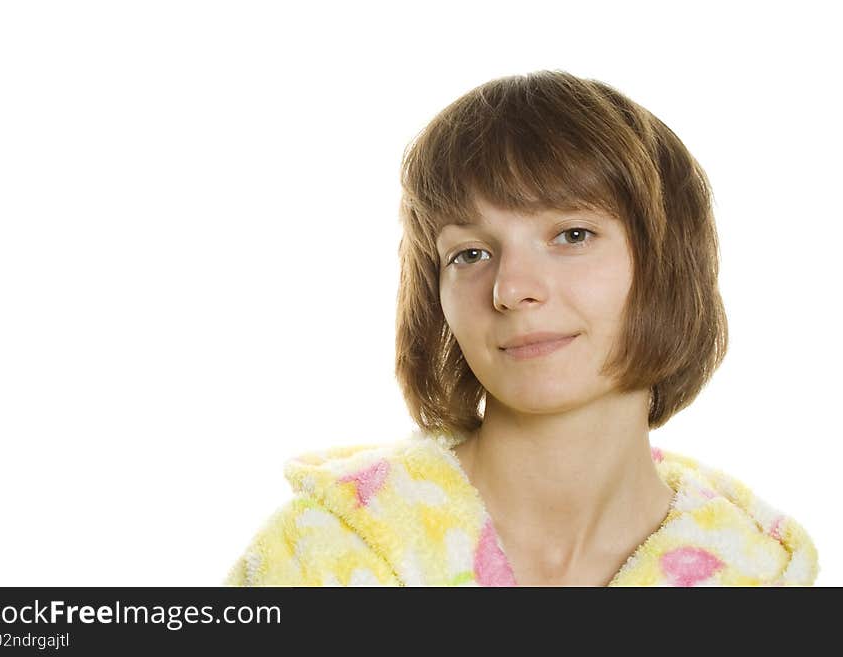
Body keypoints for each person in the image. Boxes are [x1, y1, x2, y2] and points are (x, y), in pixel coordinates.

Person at [223, 70, 819, 587]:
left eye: (572, 235)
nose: (511, 290)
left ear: (669, 261)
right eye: (471, 254)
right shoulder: (315, 560)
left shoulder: (761, 578)